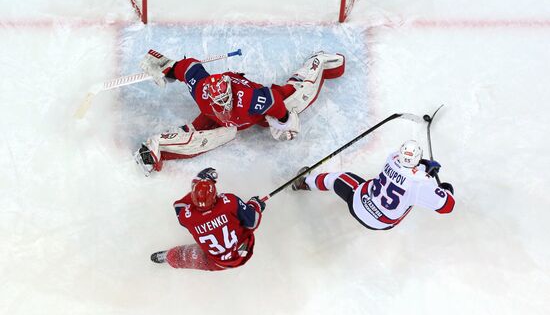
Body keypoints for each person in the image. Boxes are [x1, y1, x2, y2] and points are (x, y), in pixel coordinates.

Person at [134, 49, 345, 176]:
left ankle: (319, 62)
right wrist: (167, 66)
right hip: (217, 119)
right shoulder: (201, 90)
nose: (223, 106)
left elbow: (273, 100)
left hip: (256, 113)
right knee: (210, 136)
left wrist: (284, 120)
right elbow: (189, 68)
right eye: (220, 103)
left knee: (298, 97)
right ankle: (154, 148)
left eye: (226, 101)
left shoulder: (250, 100)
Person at [291, 140, 455, 230]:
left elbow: (406, 168)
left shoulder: (392, 159)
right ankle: (304, 183)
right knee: (411, 197)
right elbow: (447, 207)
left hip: (359, 202)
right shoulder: (421, 184)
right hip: (383, 222)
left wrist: (424, 168)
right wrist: (444, 191)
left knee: (337, 179)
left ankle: (303, 183)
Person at [150, 168, 266, 271]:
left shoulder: (187, 217)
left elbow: (179, 206)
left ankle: (169, 257)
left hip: (216, 262)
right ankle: (171, 256)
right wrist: (254, 205)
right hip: (244, 250)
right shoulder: (229, 202)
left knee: (184, 256)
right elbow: (253, 222)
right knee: (242, 218)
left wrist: (197, 186)